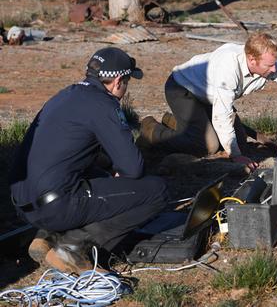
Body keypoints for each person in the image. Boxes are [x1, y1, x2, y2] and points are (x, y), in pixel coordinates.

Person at [9, 47, 168, 274]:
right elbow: (133, 168)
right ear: (117, 81)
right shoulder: (103, 104)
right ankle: (74, 247)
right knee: (156, 191)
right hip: (54, 206)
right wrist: (120, 170)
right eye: (127, 82)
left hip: (23, 202)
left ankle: (46, 236)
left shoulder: (66, 94)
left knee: (97, 174)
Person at [140, 32, 277, 170]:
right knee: (210, 145)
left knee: (240, 142)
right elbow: (222, 114)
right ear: (252, 59)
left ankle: (180, 122)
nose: (274, 70)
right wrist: (235, 157)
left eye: (275, 64)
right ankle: (151, 131)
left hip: (210, 97)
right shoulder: (228, 67)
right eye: (269, 66)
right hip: (182, 88)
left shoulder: (271, 64)